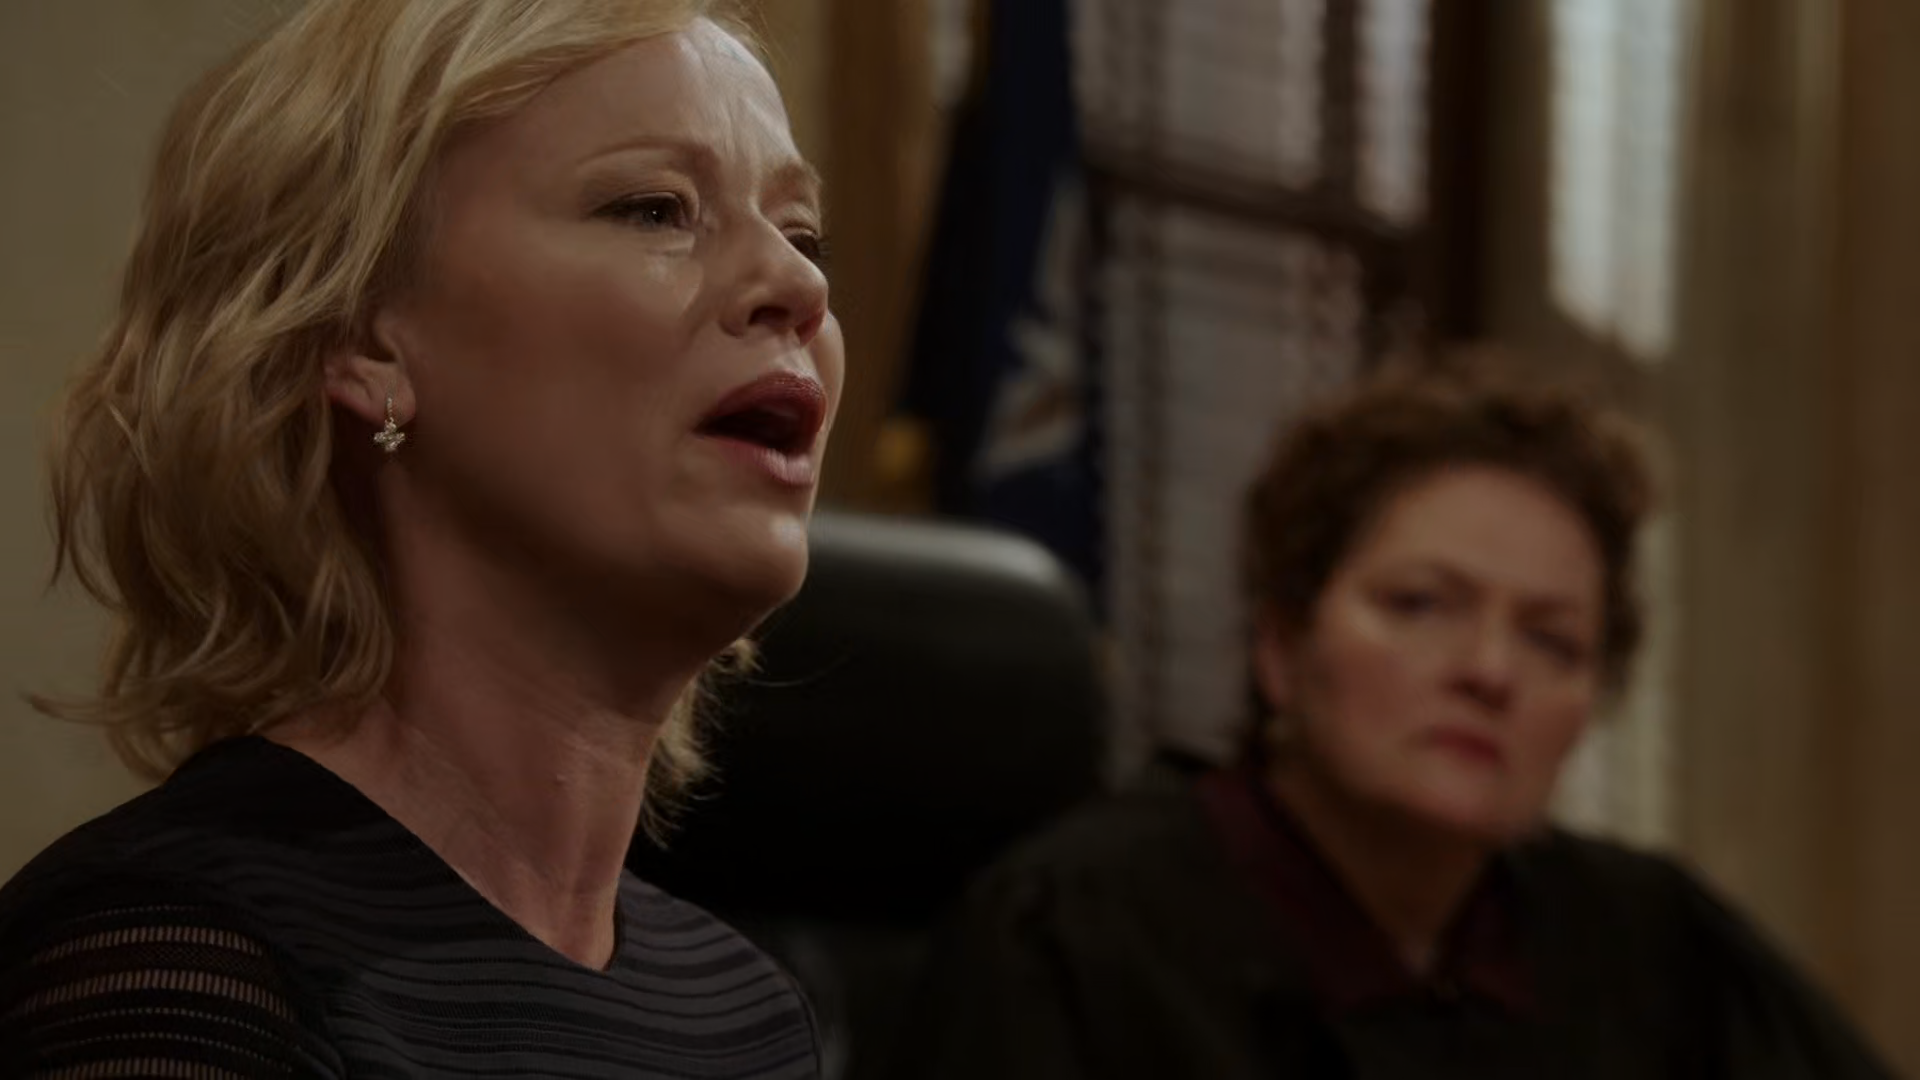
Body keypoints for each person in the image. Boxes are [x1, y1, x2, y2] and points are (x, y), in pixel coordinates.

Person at [0, 0, 841, 1076]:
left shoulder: (752, 1018)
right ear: (364, 336)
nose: (802, 286)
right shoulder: (174, 965)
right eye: (654, 209)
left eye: (803, 234)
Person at [894, 363, 1893, 1078]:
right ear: (1281, 646)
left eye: (1553, 641)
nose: (1490, 672)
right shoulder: (1069, 936)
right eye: (1421, 604)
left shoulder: (1656, 944)